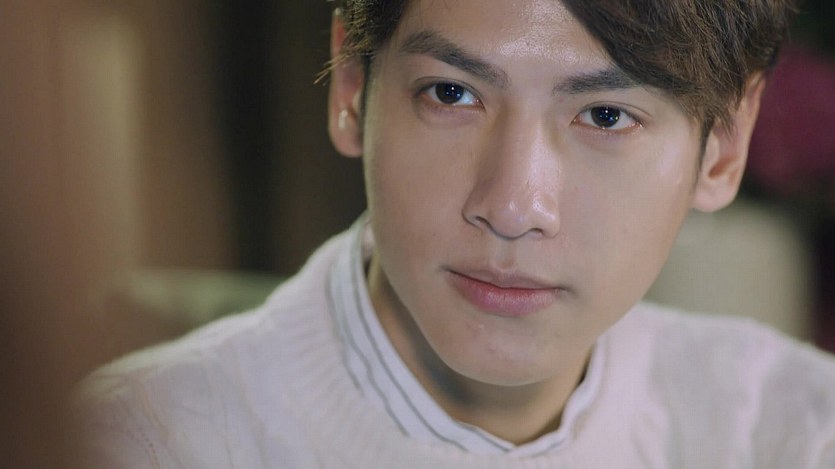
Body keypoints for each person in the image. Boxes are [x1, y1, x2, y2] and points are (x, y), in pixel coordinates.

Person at [74, 0, 835, 467]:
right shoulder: (139, 443)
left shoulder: (794, 432)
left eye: (606, 116)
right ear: (351, 88)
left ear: (724, 146)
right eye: (451, 93)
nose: (512, 207)